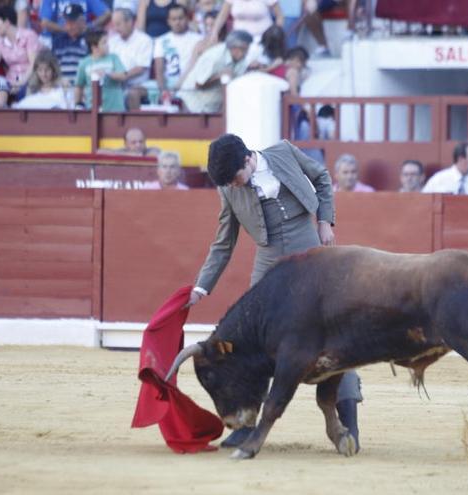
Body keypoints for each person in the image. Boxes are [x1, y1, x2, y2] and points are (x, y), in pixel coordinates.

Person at [185, 133, 361, 452]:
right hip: (267, 264)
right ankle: (245, 424)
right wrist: (201, 287)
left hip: (310, 254)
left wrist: (325, 221)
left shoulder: (283, 152)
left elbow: (321, 177)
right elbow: (224, 243)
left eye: (236, 178)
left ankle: (348, 419)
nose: (234, 186)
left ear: (248, 159)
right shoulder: (228, 186)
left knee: (334, 335)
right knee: (251, 344)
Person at [177, 29, 253, 113]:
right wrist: (218, 76)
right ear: (234, 48)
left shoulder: (242, 59)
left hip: (212, 107)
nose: (246, 53)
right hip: (192, 105)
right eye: (244, 49)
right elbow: (198, 85)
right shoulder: (214, 57)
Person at [153, 4, 202, 104]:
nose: (177, 22)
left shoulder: (198, 40)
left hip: (189, 83)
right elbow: (159, 71)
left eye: (180, 18)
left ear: (187, 19)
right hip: (167, 84)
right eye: (174, 19)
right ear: (168, 21)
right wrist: (164, 91)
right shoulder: (161, 40)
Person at [0, 5, 40, 93]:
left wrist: (22, 82)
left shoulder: (29, 36)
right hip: (11, 82)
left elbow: (34, 64)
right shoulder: (0, 41)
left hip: (30, 80)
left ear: (7, 23)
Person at [108, 8, 153, 110]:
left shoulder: (144, 40)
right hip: (115, 83)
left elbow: (141, 68)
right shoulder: (112, 41)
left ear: (130, 22)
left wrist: (124, 76)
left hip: (139, 84)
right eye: (114, 25)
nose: (115, 28)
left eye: (118, 24)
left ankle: (135, 124)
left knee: (132, 93)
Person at [74, 29, 128, 112]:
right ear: (94, 47)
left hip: (115, 109)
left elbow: (123, 76)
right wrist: (78, 104)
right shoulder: (84, 63)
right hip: (92, 110)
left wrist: (107, 73)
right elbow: (79, 85)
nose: (108, 45)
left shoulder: (113, 58)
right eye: (104, 42)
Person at [208, 0, 284, 43]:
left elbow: (279, 16)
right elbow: (222, 16)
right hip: (239, 39)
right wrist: (214, 32)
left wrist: (276, 35)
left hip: (264, 38)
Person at [50, 3, 88, 85]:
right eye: (67, 22)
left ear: (82, 21)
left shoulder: (90, 39)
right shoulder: (58, 41)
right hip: (62, 86)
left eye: (72, 23)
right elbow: (53, 67)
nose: (69, 27)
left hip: (83, 86)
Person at [40, 0, 111, 36]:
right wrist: (67, 30)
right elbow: (45, 22)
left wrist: (89, 27)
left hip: (83, 36)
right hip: (57, 38)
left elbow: (107, 14)